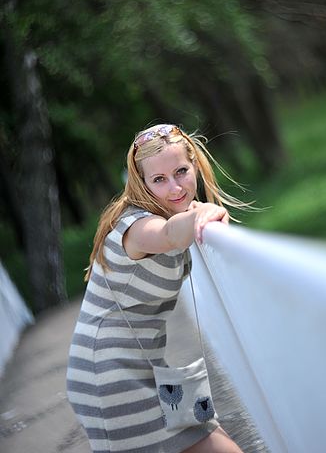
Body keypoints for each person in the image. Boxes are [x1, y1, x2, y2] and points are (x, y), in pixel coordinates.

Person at [66, 123, 250, 453]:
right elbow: (167, 235)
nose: (175, 187)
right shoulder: (136, 226)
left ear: (195, 165)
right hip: (110, 374)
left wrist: (195, 215)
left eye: (181, 171)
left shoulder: (165, 213)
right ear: (143, 183)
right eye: (159, 180)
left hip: (141, 366)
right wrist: (200, 216)